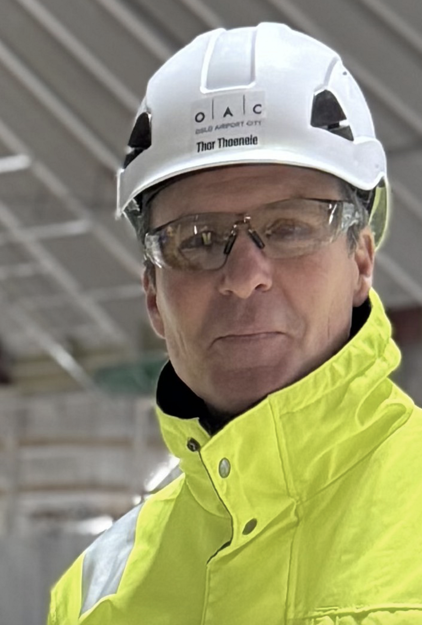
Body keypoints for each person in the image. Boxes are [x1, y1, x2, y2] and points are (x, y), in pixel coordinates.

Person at [48, 22, 422, 624]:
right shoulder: (95, 597)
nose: (244, 274)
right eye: (196, 240)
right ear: (152, 295)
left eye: (290, 228)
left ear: (361, 260)